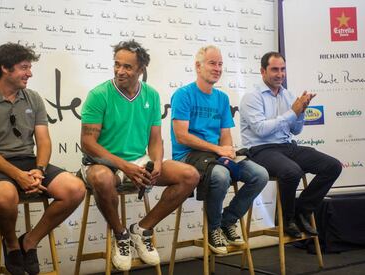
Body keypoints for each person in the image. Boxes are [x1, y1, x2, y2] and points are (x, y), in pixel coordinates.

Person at [0, 43, 86, 275]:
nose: (29, 73)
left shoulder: (33, 98)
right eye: (24, 67)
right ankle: (11, 244)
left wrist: (39, 169)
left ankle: (29, 242)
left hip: (29, 162)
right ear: (5, 68)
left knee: (75, 188)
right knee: (3, 196)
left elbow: (44, 141)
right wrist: (18, 176)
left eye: (29, 67)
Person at [80, 40, 199, 271]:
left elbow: (155, 139)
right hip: (103, 162)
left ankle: (142, 229)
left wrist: (155, 163)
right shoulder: (99, 94)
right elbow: (87, 143)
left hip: (137, 161)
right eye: (117, 65)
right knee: (102, 179)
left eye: (127, 67)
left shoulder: (151, 95)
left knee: (190, 175)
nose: (120, 71)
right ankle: (120, 235)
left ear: (141, 70)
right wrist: (124, 166)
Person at [170, 45, 268, 254]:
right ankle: (213, 229)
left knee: (260, 175)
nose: (217, 68)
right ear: (198, 66)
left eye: (220, 64)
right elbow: (182, 136)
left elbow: (225, 133)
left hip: (215, 154)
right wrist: (218, 149)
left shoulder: (222, 98)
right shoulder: (183, 94)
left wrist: (228, 149)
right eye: (212, 63)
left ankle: (227, 221)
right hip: (188, 156)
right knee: (221, 176)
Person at [240, 51, 342, 238]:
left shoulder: (288, 96)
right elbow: (261, 130)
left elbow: (295, 131)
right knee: (292, 171)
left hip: (287, 146)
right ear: (263, 71)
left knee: (333, 166)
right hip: (260, 149)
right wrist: (292, 112)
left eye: (283, 69)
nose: (280, 74)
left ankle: (302, 211)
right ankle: (286, 220)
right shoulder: (251, 97)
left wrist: (301, 112)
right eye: (274, 70)